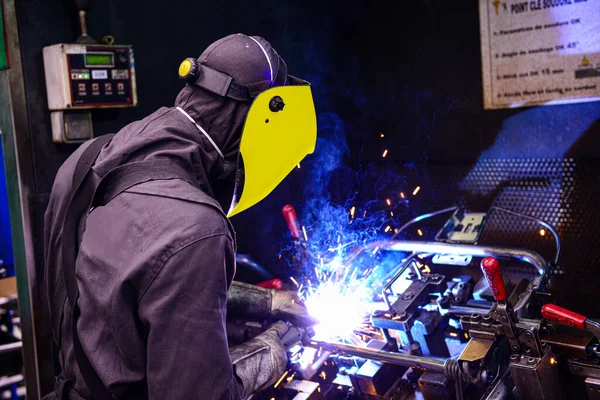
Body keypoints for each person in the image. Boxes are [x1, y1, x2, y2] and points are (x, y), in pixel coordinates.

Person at [43, 34, 317, 399]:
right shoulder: (196, 228)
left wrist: (268, 301)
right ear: (262, 117)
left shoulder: (86, 160)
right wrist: (271, 350)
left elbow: (134, 283)